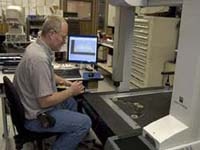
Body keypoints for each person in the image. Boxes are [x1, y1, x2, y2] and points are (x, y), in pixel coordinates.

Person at [13, 15, 91, 150]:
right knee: (85, 122)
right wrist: (71, 91)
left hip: (30, 105)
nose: (64, 41)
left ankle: (67, 137)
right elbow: (45, 101)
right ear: (51, 34)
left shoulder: (37, 47)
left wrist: (64, 82)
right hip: (37, 117)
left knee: (71, 102)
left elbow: (48, 73)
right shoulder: (39, 59)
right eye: (63, 37)